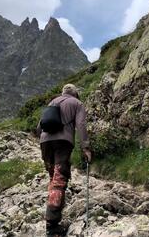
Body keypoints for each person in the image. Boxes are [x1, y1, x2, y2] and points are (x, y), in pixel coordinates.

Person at [37, 83, 92, 237]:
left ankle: (53, 213)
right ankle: (52, 226)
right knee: (59, 180)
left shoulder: (52, 102)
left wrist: (44, 139)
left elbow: (39, 127)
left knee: (53, 179)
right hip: (63, 142)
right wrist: (85, 148)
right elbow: (81, 124)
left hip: (45, 143)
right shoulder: (77, 103)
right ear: (76, 94)